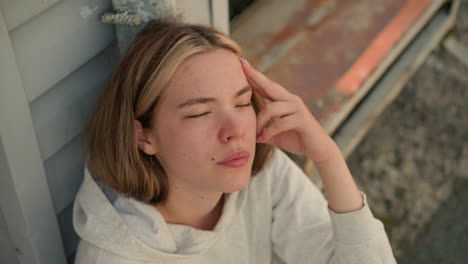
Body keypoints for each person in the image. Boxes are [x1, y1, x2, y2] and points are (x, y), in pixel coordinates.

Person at [73, 16, 397, 264]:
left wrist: (328, 157)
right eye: (200, 112)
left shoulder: (259, 174)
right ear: (143, 136)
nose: (235, 130)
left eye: (242, 103)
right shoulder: (115, 257)